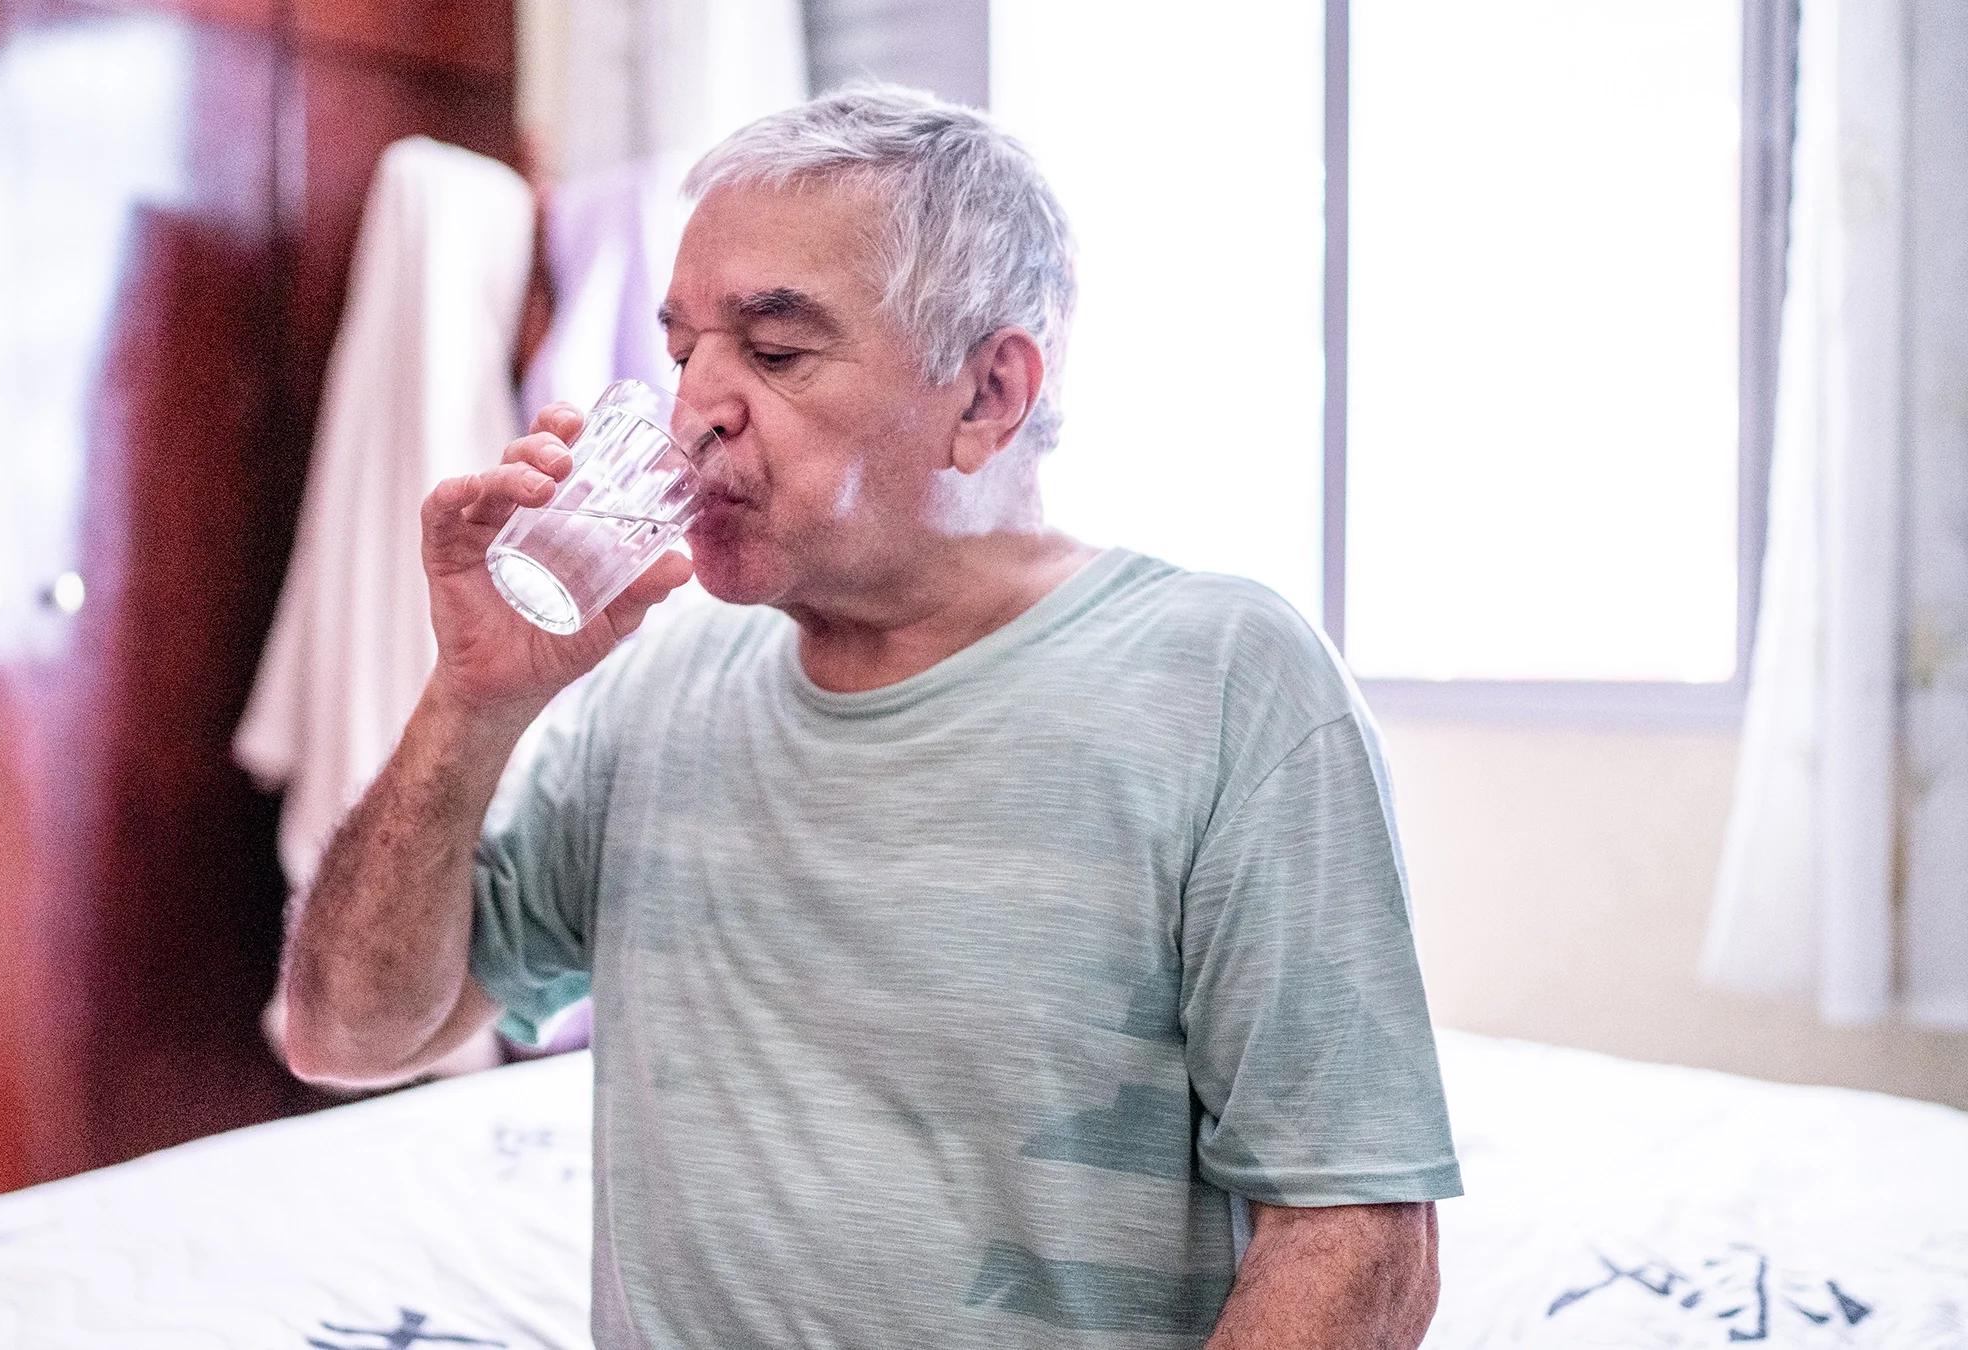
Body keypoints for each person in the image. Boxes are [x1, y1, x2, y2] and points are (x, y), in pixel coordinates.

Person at [274, 85, 1462, 1349]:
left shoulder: (1225, 683)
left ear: (988, 394)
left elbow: (1355, 1238)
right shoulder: (657, 692)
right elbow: (348, 1033)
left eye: (775, 352)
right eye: (682, 352)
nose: (692, 409)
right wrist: (470, 704)